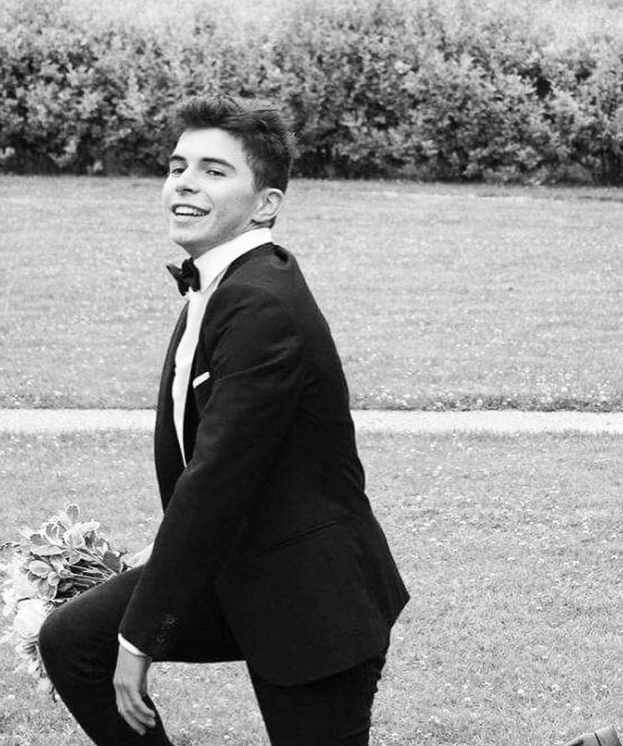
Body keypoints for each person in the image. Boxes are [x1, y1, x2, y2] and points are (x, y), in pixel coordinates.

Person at [38, 95, 409, 745]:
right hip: (242, 566)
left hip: (311, 595)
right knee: (75, 639)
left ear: (265, 203)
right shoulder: (221, 285)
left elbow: (218, 477)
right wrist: (163, 558)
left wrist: (139, 637)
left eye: (213, 171)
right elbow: (214, 463)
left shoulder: (261, 304)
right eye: (178, 166)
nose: (184, 182)